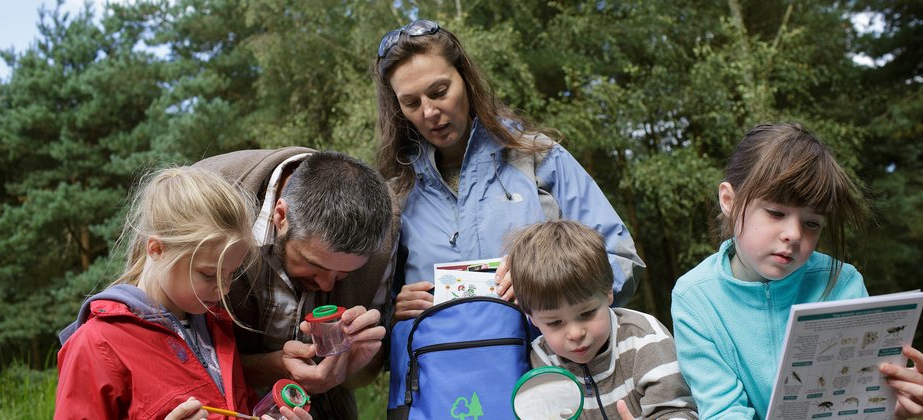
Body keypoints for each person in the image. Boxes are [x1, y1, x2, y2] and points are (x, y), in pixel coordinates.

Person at [372, 19, 645, 405]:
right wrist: (393, 310)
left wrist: (545, 282)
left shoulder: (539, 159)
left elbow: (620, 259)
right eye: (412, 103)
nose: (430, 111)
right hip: (437, 397)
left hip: (549, 388)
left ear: (465, 78)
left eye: (440, 91)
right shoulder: (392, 193)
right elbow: (365, 319)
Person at [671, 123, 923, 419]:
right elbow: (723, 410)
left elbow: (858, 398)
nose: (794, 235)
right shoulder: (694, 297)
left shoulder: (842, 283)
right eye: (775, 212)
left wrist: (891, 407)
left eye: (811, 223)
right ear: (729, 201)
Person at [55, 166, 311, 420]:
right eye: (208, 274)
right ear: (156, 249)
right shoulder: (97, 343)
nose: (224, 289)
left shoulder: (217, 327)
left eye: (231, 274)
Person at [194, 148, 397, 418]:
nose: (327, 286)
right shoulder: (204, 196)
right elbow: (171, 354)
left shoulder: (384, 234)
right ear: (281, 216)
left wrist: (352, 364)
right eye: (316, 265)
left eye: (343, 275)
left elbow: (360, 378)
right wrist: (274, 366)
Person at [504, 220, 698, 419]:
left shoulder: (644, 339)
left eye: (586, 314)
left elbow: (678, 411)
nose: (575, 333)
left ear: (608, 293)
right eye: (554, 323)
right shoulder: (540, 362)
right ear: (531, 316)